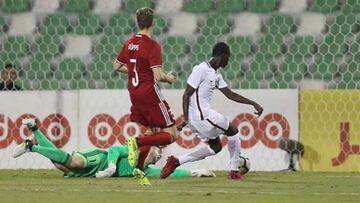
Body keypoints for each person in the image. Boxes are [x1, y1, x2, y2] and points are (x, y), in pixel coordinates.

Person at [160, 42, 264, 180]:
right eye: (228, 57)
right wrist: (187, 120)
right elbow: (186, 95)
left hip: (198, 119)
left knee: (216, 147)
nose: (229, 60)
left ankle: (176, 161)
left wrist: (253, 103)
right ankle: (234, 171)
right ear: (222, 55)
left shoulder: (216, 75)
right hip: (202, 117)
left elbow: (230, 95)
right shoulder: (201, 69)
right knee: (233, 131)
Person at [12, 118, 215, 180]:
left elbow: (168, 173)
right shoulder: (134, 150)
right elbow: (114, 150)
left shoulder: (144, 171)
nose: (159, 154)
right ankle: (31, 146)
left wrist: (195, 172)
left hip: (95, 174)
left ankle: (34, 130)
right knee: (74, 162)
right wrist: (110, 167)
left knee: (60, 164)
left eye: (160, 154)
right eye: (158, 151)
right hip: (99, 160)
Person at [113, 7, 178, 185]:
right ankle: (136, 142)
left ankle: (139, 169)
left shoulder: (129, 43)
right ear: (153, 23)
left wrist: (135, 71)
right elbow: (157, 76)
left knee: (152, 131)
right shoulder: (152, 45)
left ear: (138, 22)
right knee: (172, 135)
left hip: (134, 93)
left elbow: (116, 66)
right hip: (150, 94)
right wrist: (168, 78)